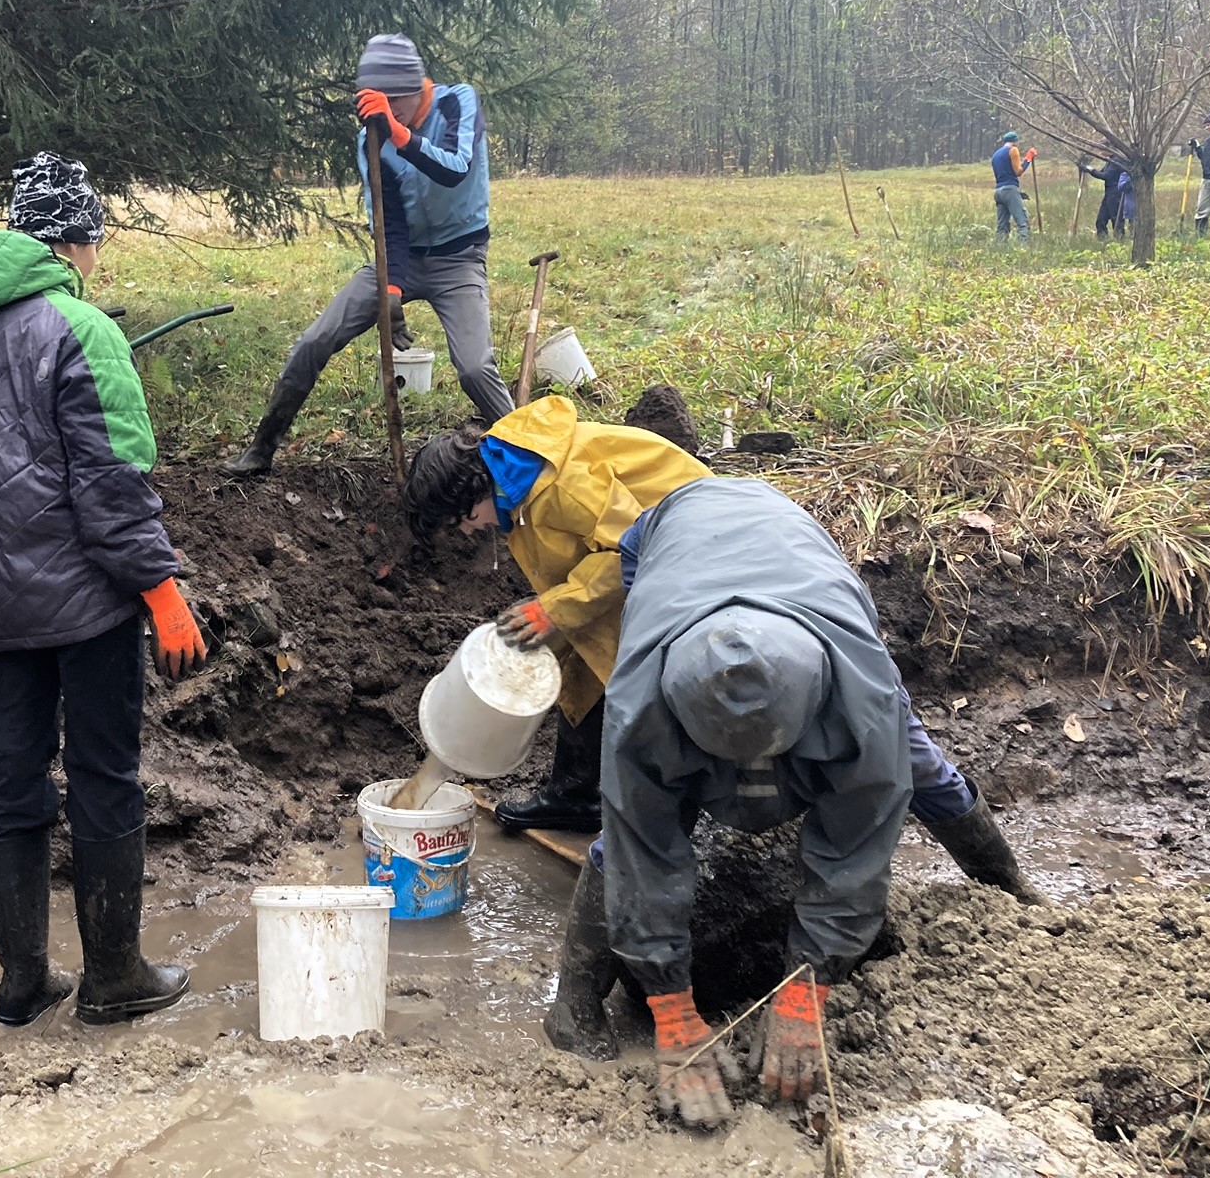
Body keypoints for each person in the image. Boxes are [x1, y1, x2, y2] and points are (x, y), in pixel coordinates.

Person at [405, 404, 1040, 1069]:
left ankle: (1005, 886)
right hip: (677, 557)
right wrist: (670, 1006)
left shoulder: (864, 698)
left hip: (776, 552)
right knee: (635, 814)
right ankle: (576, 1004)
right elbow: (638, 839)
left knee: (916, 764)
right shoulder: (642, 696)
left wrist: (806, 990)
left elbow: (856, 846)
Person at [0, 152, 208, 1029]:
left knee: (9, 784)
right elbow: (113, 485)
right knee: (104, 774)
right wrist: (162, 593)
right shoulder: (83, 329)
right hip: (89, 607)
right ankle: (114, 977)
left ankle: (22, 983)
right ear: (79, 242)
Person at [405, 397, 712, 834]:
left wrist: (555, 609)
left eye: (461, 521)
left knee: (642, 686)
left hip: (689, 556)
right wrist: (555, 618)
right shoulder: (515, 489)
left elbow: (629, 547)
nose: (467, 531)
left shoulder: (560, 485)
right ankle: (576, 796)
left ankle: (661, 821)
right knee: (576, 662)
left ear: (471, 493)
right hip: (628, 570)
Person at [223, 34, 514, 475]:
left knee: (474, 368)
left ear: (415, 87)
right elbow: (390, 223)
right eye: (379, 104)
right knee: (315, 339)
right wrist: (392, 286)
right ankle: (261, 449)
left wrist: (397, 133)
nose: (388, 112)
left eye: (394, 101)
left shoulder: (458, 102)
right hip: (400, 257)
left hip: (459, 258)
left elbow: (455, 169)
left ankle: (532, 451)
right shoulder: (372, 140)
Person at [1080, 145, 1132, 240]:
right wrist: (1087, 169)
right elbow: (1101, 172)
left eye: (1101, 149)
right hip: (1109, 193)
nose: (1100, 151)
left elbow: (1106, 176)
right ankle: (1103, 240)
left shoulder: (1117, 160)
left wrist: (1091, 170)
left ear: (1108, 148)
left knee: (1116, 220)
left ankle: (1120, 241)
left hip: (1116, 193)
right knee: (1101, 220)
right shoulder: (1110, 161)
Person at [991, 131, 1034, 241]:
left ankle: (999, 248)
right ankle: (1022, 249)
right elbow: (1018, 172)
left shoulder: (996, 155)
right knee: (1023, 222)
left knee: (1002, 225)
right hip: (1010, 189)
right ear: (1016, 142)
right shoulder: (1013, 150)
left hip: (998, 191)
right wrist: (1028, 159)